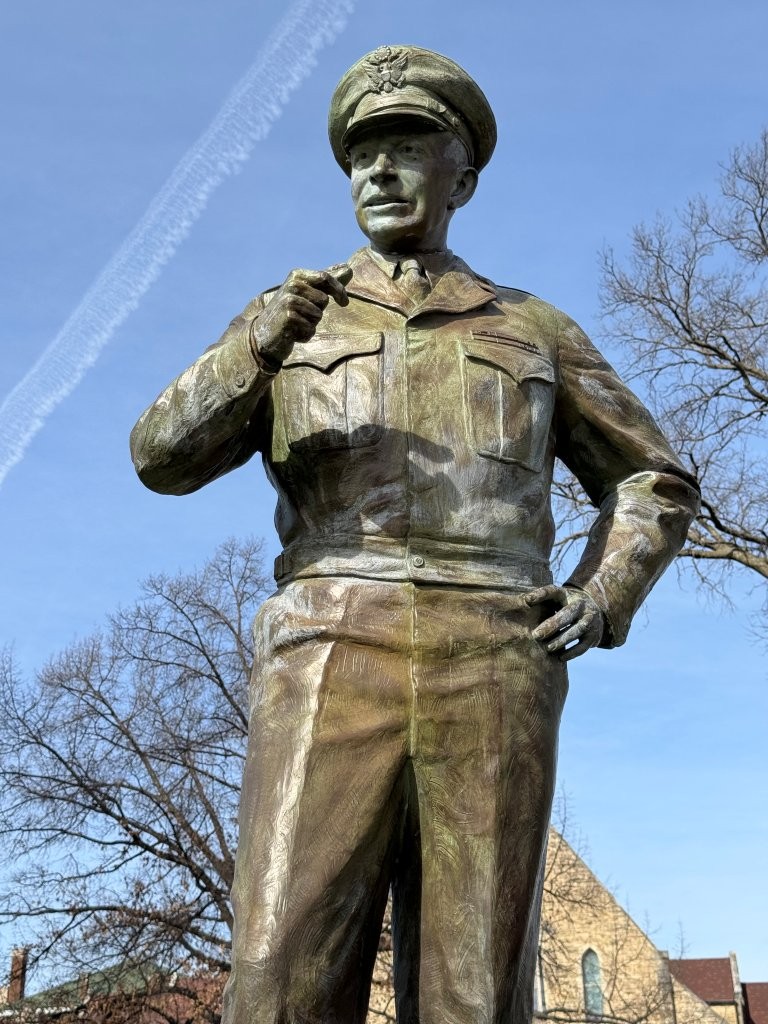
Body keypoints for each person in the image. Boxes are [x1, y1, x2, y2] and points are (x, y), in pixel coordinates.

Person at [131, 45, 700, 1024]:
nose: (379, 173)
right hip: (328, 643)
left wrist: (604, 593)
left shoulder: (531, 327)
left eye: (405, 150)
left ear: (460, 178)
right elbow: (160, 456)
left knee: (475, 986)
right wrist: (254, 350)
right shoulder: (292, 319)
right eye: (362, 156)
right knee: (277, 974)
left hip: (495, 653)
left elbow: (652, 476)